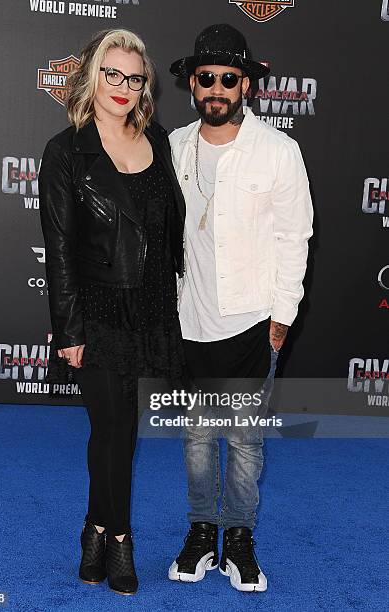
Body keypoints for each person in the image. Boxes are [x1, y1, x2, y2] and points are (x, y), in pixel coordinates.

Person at [39, 28, 186, 596]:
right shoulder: (65, 150)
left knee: (118, 430)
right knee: (115, 427)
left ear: (144, 84)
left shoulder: (160, 139)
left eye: (134, 77)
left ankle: (94, 527)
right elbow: (60, 250)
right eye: (112, 74)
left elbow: (167, 226)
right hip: (97, 308)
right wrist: (69, 328)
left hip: (149, 305)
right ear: (92, 76)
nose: (122, 87)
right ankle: (118, 536)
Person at [167, 24, 313, 592]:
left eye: (229, 78)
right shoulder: (174, 146)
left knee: (245, 440)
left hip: (254, 319)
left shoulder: (279, 151)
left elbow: (294, 238)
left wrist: (282, 318)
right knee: (198, 437)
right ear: (193, 84)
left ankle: (240, 535)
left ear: (246, 84)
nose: (217, 89)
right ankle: (203, 530)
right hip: (188, 319)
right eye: (207, 79)